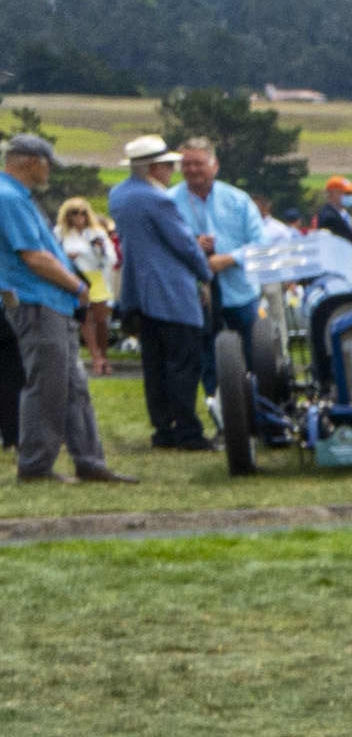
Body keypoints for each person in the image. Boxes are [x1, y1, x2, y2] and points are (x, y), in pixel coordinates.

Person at [0, 135, 117, 486]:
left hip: (50, 302)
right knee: (47, 387)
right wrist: (78, 286)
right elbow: (35, 257)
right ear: (31, 161)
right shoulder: (8, 198)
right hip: (37, 301)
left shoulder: (17, 197)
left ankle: (89, 461)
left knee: (73, 387)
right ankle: (35, 466)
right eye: (46, 163)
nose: (48, 171)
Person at [102, 138, 208, 455]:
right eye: (168, 166)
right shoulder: (156, 199)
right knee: (183, 364)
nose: (172, 172)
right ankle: (188, 430)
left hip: (139, 291)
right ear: (154, 168)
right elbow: (184, 244)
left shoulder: (119, 195)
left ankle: (163, 428)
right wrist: (205, 272)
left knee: (155, 366)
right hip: (172, 291)